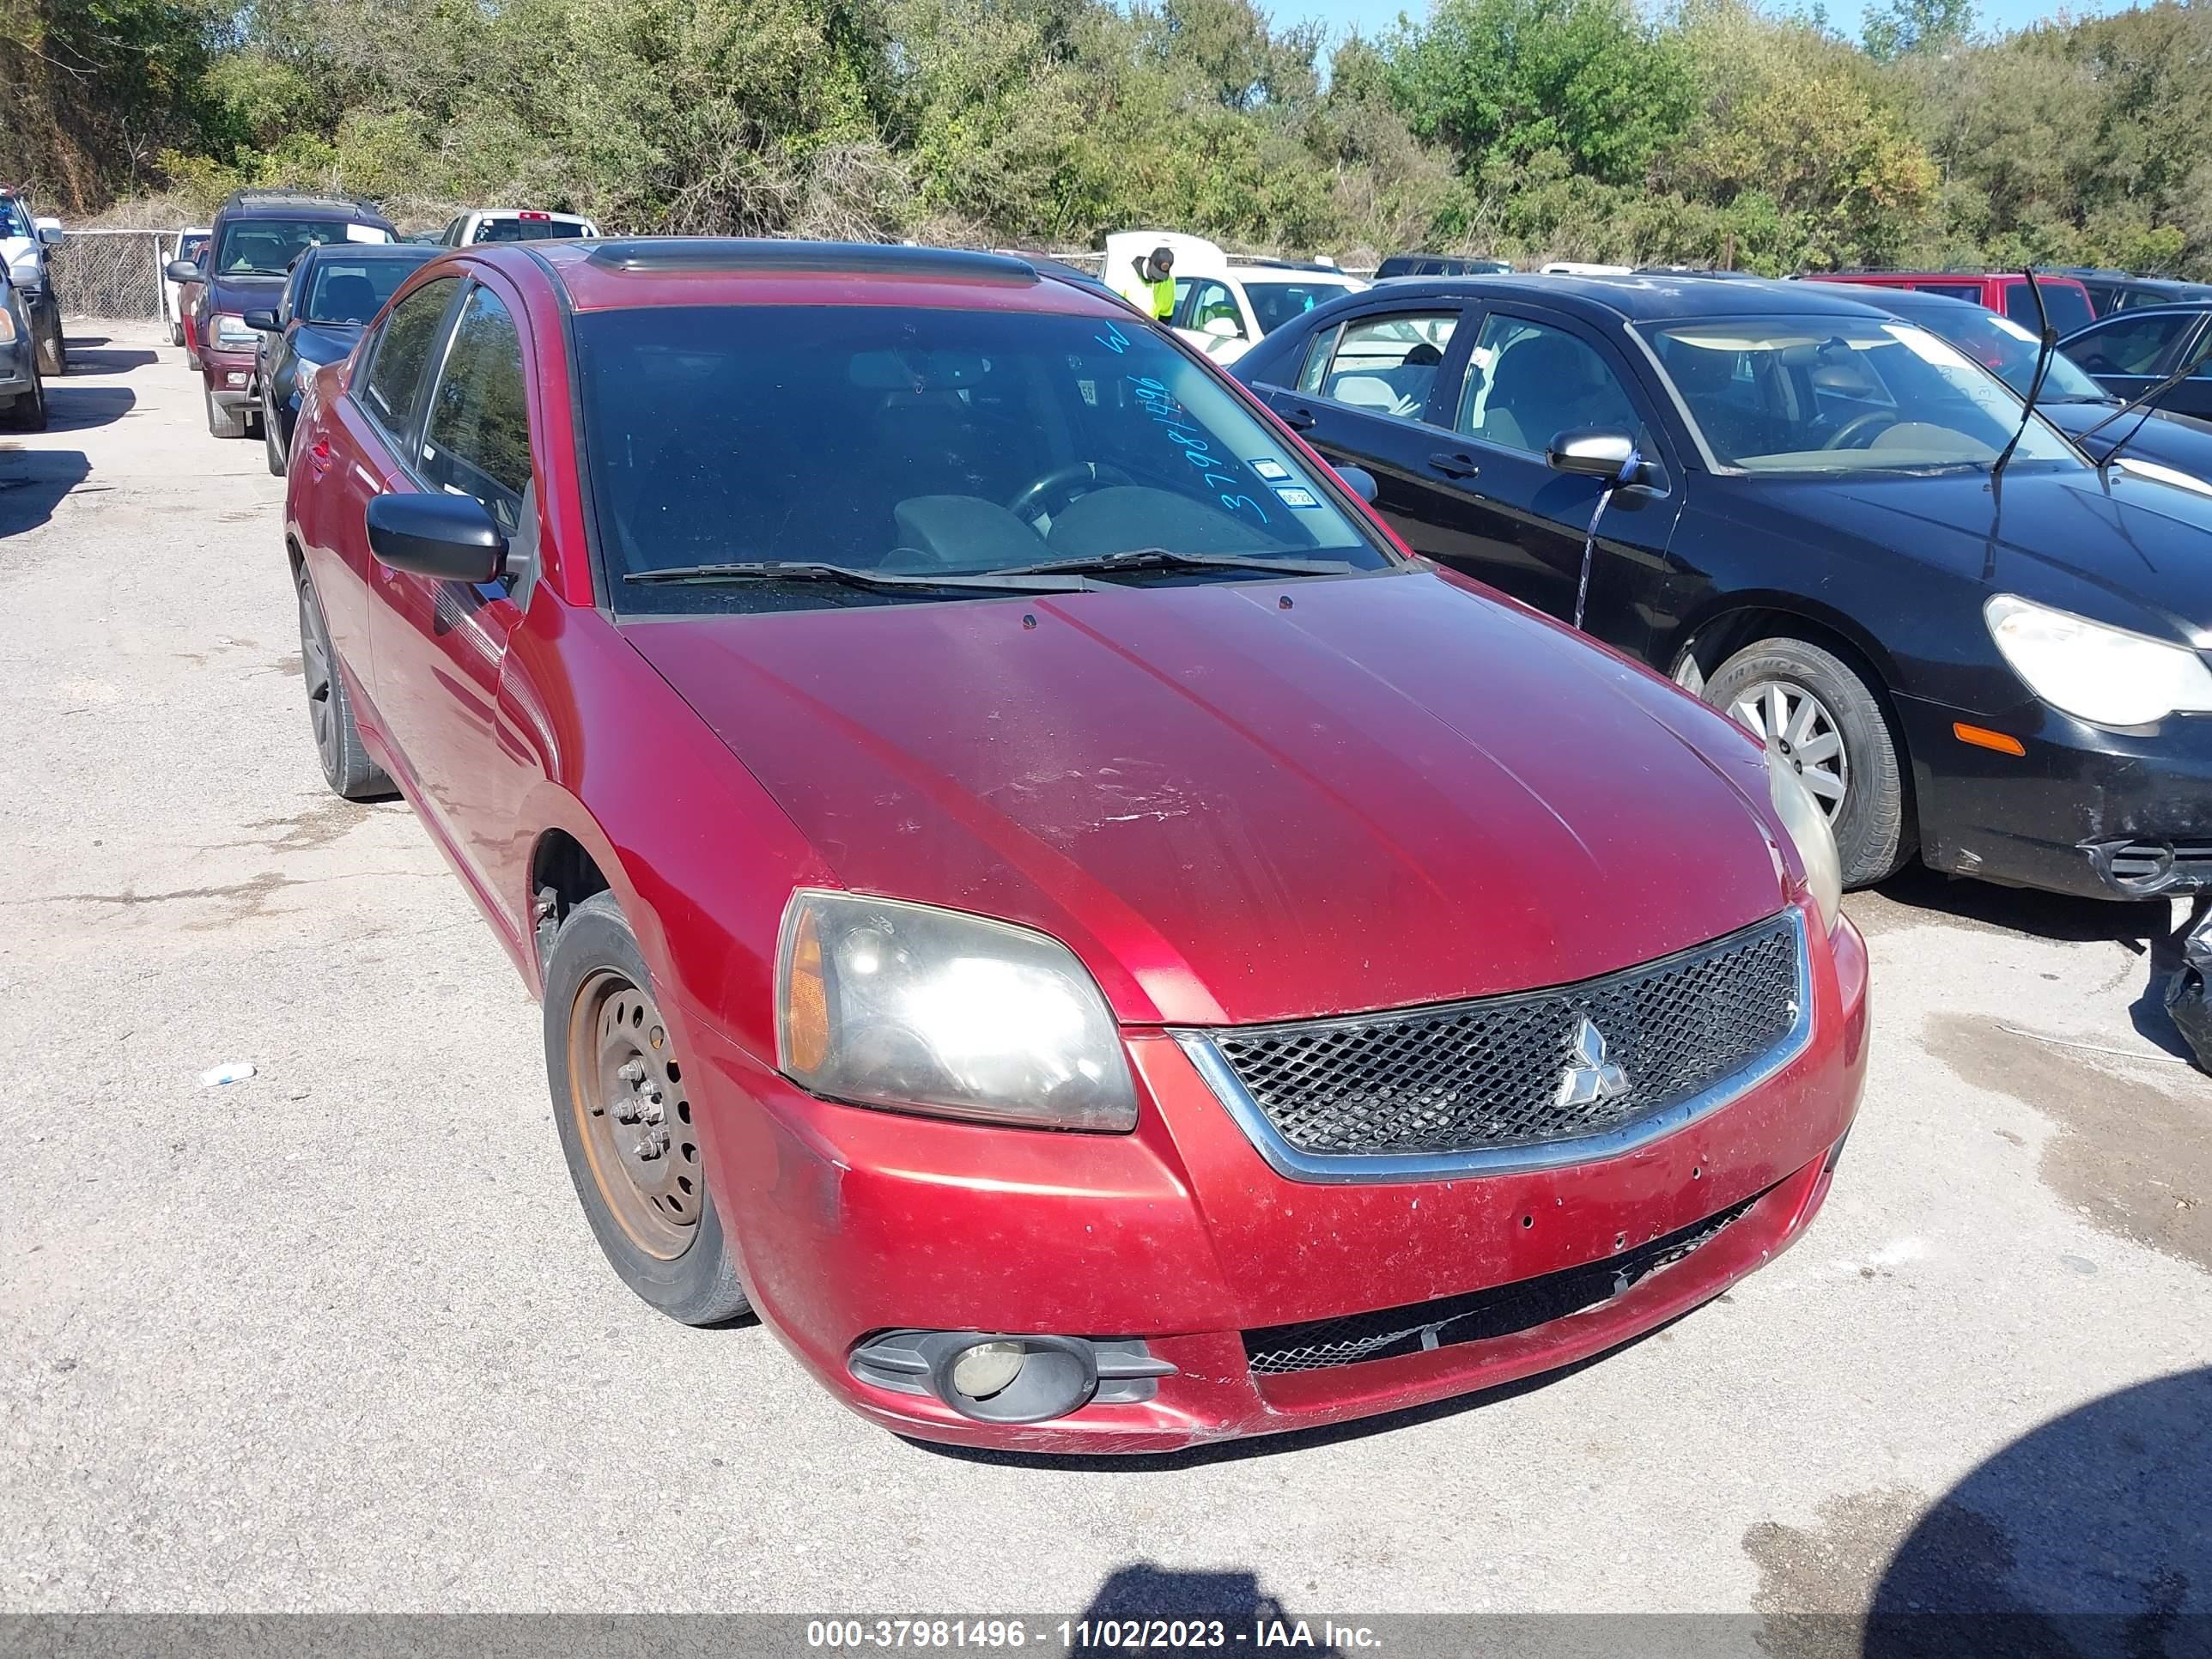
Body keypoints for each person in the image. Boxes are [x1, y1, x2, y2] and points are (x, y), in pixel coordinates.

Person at [1133, 245, 1176, 322]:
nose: (1156, 279)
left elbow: (1165, 318)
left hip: (1149, 330)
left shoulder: (1168, 282)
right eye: (1154, 274)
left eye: (1160, 277)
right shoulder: (1129, 273)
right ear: (1149, 262)